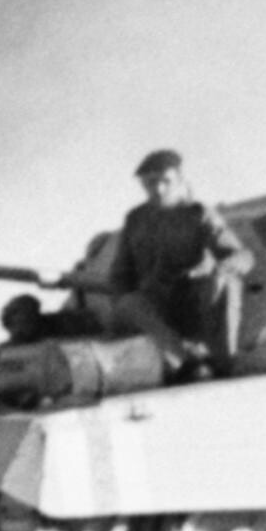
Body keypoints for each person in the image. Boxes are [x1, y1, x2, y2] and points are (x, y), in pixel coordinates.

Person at [109, 146, 242, 373]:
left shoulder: (198, 214)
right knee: (129, 303)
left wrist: (225, 268)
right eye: (150, 183)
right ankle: (185, 362)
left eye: (165, 181)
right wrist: (123, 299)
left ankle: (222, 360)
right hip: (157, 306)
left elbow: (240, 254)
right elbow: (121, 274)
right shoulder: (136, 220)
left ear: (180, 180)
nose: (159, 189)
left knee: (227, 282)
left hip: (194, 303)